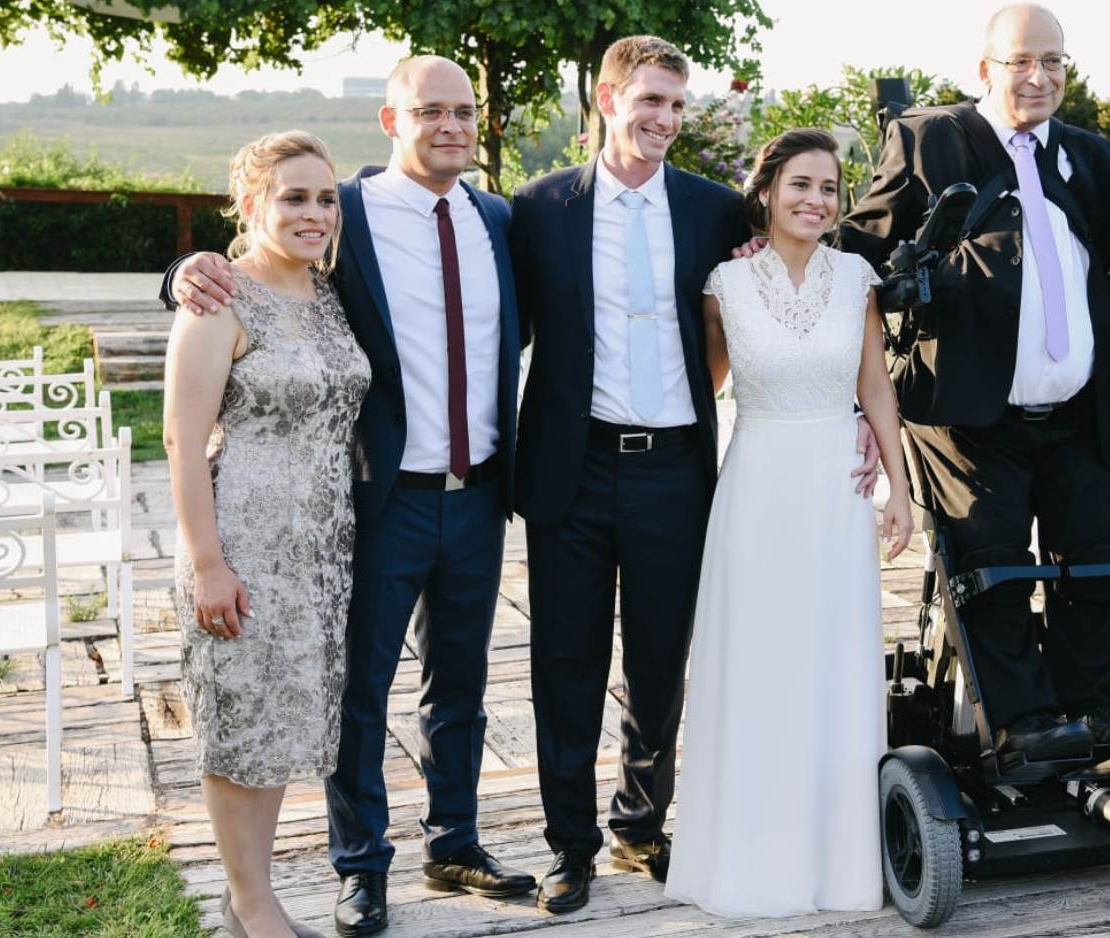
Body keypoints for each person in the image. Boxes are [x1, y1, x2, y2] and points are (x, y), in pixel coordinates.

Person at [838, 3, 1110, 768]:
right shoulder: (930, 139)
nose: (1039, 77)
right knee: (994, 569)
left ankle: (1097, 709)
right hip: (968, 415)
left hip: (1078, 410)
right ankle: (1025, 721)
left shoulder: (1092, 156)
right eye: (1021, 61)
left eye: (1054, 62)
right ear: (984, 70)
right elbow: (861, 249)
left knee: (1101, 562)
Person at [161, 56, 533, 937]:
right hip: (381, 499)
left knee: (463, 685)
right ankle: (360, 867)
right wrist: (185, 266)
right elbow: (246, 263)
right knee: (356, 690)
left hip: (477, 491)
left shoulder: (500, 219)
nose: (451, 125)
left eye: (464, 111)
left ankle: (456, 841)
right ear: (391, 119)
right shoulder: (352, 211)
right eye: (430, 110)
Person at [509, 37, 881, 915]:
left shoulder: (717, 212)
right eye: (649, 102)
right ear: (606, 98)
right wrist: (195, 270)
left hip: (677, 467)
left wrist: (858, 408)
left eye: (677, 105)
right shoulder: (536, 209)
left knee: (661, 663)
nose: (664, 121)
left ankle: (642, 825)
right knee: (565, 662)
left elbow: (823, 265)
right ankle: (570, 848)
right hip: (570, 464)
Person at [664, 129, 913, 917]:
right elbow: (704, 388)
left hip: (838, 490)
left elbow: (875, 384)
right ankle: (748, 860)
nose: (816, 200)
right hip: (759, 484)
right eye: (800, 184)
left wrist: (900, 492)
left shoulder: (857, 278)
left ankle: (839, 866)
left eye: (830, 188)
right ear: (767, 191)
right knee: (759, 666)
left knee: (835, 666)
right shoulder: (725, 287)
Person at [167, 130, 364, 938]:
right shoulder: (221, 300)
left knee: (282, 722)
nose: (314, 212)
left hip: (323, 549)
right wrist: (207, 564)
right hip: (244, 538)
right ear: (250, 205)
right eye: (294, 197)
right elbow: (181, 438)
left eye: (325, 198)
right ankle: (251, 901)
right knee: (238, 720)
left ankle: (254, 893)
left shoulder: (329, 296)